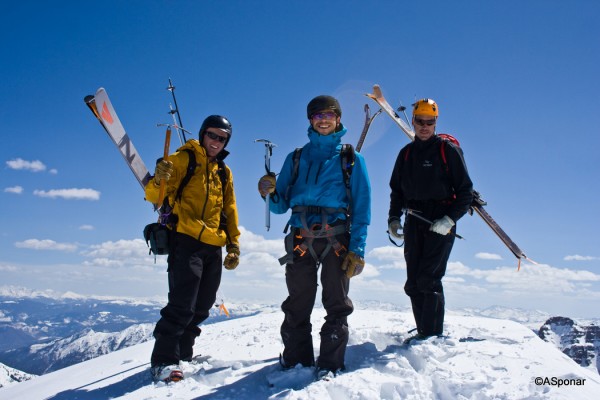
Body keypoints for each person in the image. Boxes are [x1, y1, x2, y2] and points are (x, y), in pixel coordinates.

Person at [257, 95, 371, 379]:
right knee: (298, 301)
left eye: (329, 115)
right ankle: (298, 361)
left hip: (338, 238)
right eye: (317, 115)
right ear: (310, 120)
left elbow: (362, 207)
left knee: (336, 303)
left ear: (338, 119)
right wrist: (267, 192)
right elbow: (280, 204)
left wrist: (357, 249)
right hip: (300, 237)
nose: (323, 120)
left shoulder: (351, 159)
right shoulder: (295, 158)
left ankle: (331, 364)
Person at [145, 115, 241, 383]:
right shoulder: (181, 160)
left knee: (202, 305)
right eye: (212, 135)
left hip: (214, 245)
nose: (216, 142)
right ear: (202, 134)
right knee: (182, 304)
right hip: (185, 240)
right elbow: (154, 196)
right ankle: (163, 360)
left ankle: (183, 353)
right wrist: (158, 178)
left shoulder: (224, 172)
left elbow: (230, 209)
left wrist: (234, 244)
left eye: (222, 138)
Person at [388, 98, 473, 343]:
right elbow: (397, 191)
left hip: (441, 219)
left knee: (429, 278)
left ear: (436, 122)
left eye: (430, 121)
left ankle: (432, 335)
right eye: (420, 121)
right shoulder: (405, 155)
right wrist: (394, 218)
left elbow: (466, 191)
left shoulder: (448, 151)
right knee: (413, 282)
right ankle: (424, 330)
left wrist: (449, 219)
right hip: (414, 219)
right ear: (413, 121)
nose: (425, 126)